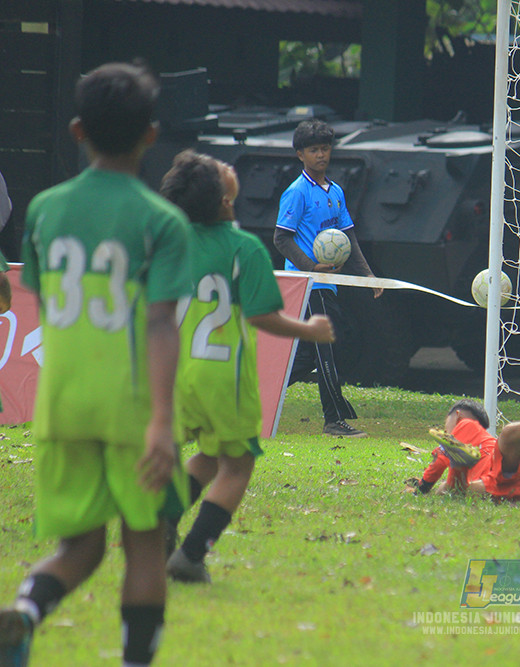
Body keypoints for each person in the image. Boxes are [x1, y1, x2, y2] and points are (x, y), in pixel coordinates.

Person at [0, 62, 191, 667]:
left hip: (61, 401)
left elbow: (38, 288)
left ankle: (26, 611)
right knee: (142, 545)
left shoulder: (46, 209)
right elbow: (161, 322)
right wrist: (162, 420)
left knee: (79, 544)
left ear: (77, 130)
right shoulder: (162, 220)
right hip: (130, 405)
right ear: (151, 135)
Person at [159, 150, 336, 583]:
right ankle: (191, 554)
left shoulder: (168, 243)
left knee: (210, 454)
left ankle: (161, 516)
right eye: (223, 171)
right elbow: (262, 316)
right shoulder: (244, 248)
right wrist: (310, 329)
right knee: (238, 466)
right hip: (221, 375)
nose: (230, 168)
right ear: (224, 199)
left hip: (174, 373)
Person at [272, 118, 381, 438]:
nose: (321, 155)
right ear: (300, 154)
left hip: (327, 284)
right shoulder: (296, 193)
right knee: (327, 346)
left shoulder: (335, 192)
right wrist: (310, 266)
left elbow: (348, 237)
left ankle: (254, 390)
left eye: (325, 149)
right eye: (313, 150)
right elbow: (282, 238)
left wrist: (369, 276)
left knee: (307, 355)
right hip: (307, 285)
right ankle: (334, 419)